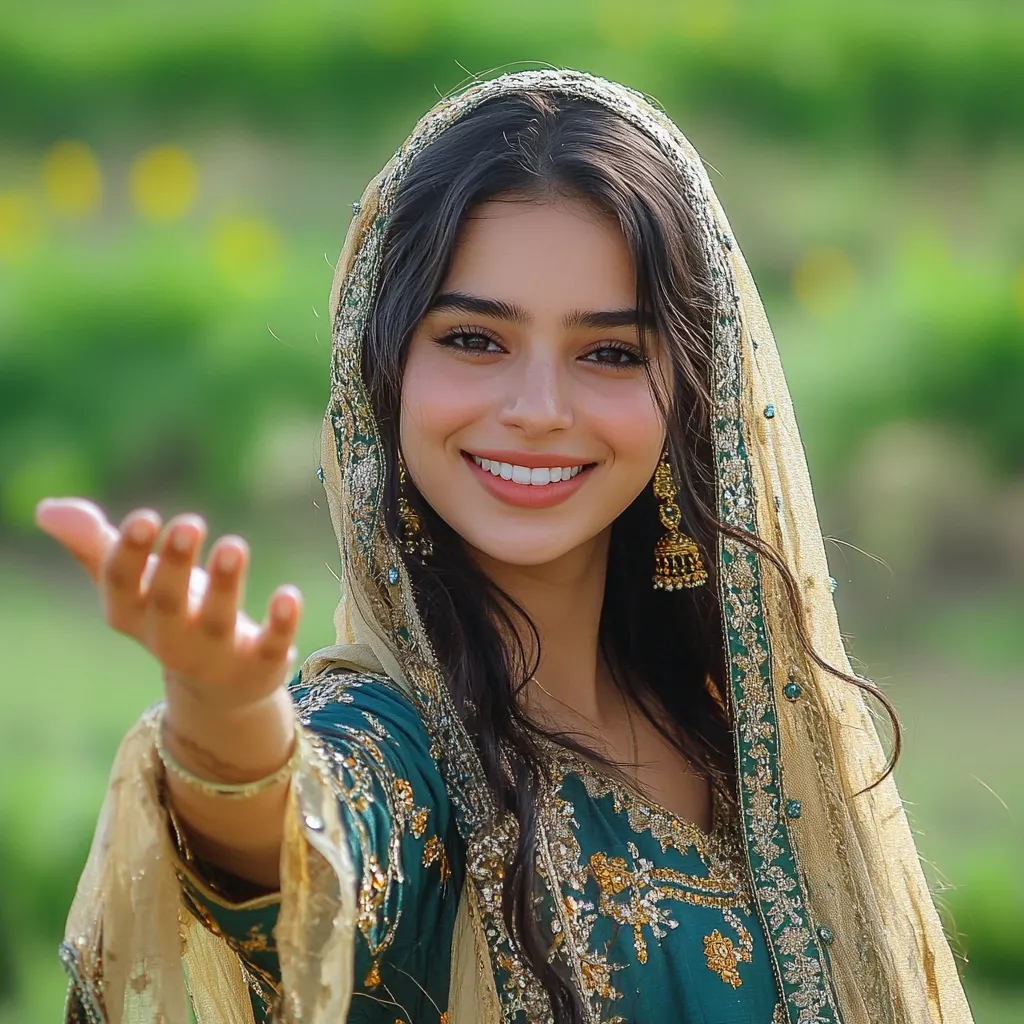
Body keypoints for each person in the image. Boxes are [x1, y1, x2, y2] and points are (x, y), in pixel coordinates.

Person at [38, 70, 973, 1024]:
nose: (537, 411)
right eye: (475, 339)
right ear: (385, 367)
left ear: (691, 391)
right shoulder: (401, 746)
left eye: (609, 352)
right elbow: (300, 843)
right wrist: (227, 728)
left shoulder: (748, 740)